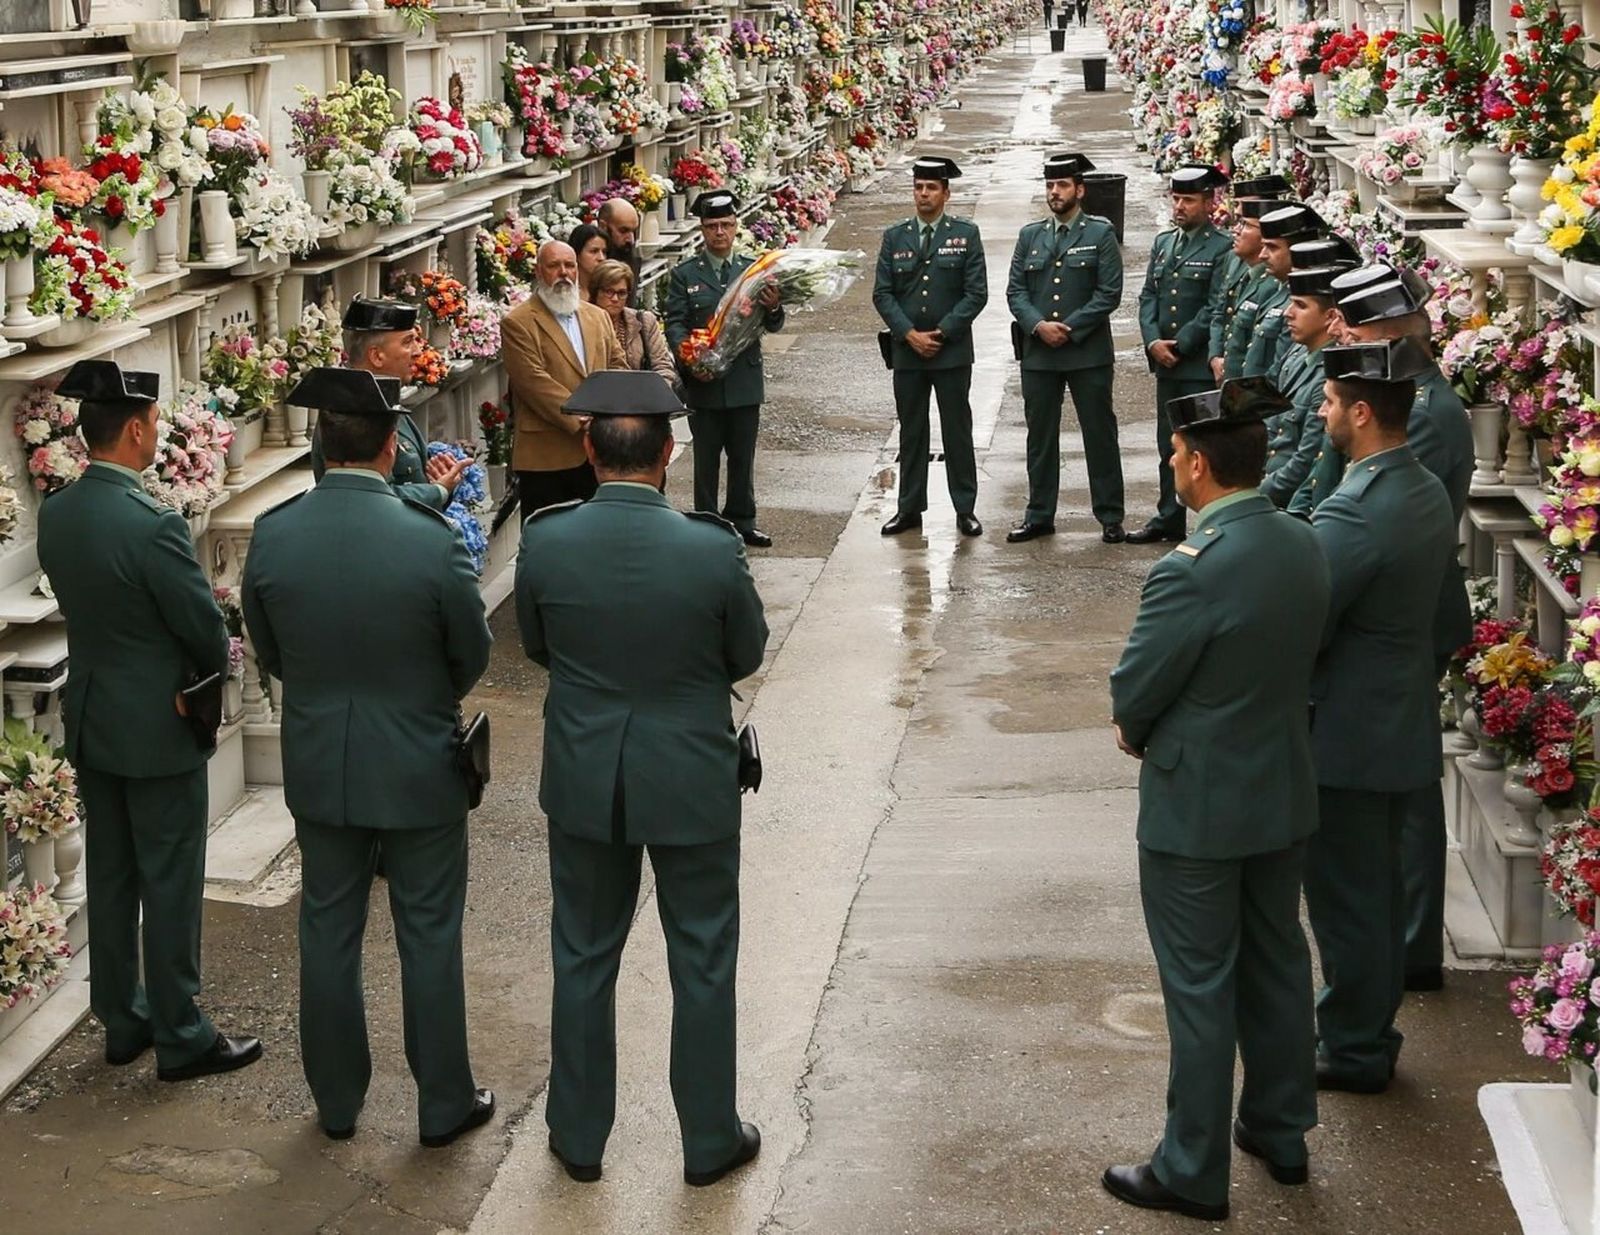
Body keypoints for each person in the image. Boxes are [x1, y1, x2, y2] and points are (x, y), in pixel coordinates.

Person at [515, 371, 770, 1186]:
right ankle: (708, 1138)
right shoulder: (712, 546)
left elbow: (536, 644)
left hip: (587, 768)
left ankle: (578, 1134)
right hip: (691, 769)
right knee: (702, 956)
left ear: (590, 454)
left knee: (583, 953)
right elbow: (745, 652)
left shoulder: (547, 539)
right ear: (667, 455)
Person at [242, 367, 495, 1147]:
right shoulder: (430, 538)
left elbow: (270, 650)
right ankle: (443, 1100)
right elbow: (470, 652)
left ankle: (337, 1101)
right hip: (419, 759)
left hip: (322, 758)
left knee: (327, 929)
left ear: (323, 444)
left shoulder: (275, 533)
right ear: (392, 447)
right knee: (428, 932)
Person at [1105, 376, 1329, 1221]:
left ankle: (1192, 1168)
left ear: (1198, 465)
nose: (1171, 465)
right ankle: (1281, 1127)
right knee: (1278, 963)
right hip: (1281, 789)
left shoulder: (1190, 570)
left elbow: (1137, 689)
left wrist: (1135, 728)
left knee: (1200, 986)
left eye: (1174, 453)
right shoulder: (1303, 541)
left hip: (1197, 806)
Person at [37, 360, 260, 1082]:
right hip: (158, 724)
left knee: (110, 872)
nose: (159, 433)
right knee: (168, 878)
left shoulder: (58, 511)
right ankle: (182, 1032)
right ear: (134, 430)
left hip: (94, 716)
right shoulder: (152, 524)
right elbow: (203, 631)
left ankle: (122, 1019)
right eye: (156, 423)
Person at [1304, 337, 1459, 1095]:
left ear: (1361, 413)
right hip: (1397, 721)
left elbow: (1307, 616)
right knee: (1379, 893)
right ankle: (1370, 1032)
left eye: (1331, 401)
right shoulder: (1420, 485)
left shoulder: (1357, 508)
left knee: (1348, 903)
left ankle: (1355, 1047)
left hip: (1348, 734)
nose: (1321, 411)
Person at [1324, 269, 1474, 992]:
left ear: (1392, 335)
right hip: (1402, 606)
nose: (1344, 333)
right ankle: (1404, 939)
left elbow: (1402, 529)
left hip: (1404, 613)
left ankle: (1415, 944)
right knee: (1401, 790)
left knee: (1407, 797)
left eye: (1358, 328)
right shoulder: (1412, 399)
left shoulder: (1427, 414)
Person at [1004, 151, 1124, 543]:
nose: (1055, 192)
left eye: (1062, 185)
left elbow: (1109, 293)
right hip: (1039, 354)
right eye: (1050, 185)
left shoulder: (1100, 234)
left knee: (1099, 435)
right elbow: (1016, 291)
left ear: (1080, 190)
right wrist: (1038, 326)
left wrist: (1069, 329)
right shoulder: (1030, 235)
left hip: (1087, 353)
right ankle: (1039, 514)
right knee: (1040, 438)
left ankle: (1110, 515)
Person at [873, 155, 988, 539]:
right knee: (912, 432)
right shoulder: (896, 236)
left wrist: (942, 332)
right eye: (919, 187)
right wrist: (909, 335)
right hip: (908, 352)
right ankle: (909, 508)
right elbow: (883, 294)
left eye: (932, 188)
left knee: (957, 430)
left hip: (950, 351)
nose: (924, 194)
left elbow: (976, 293)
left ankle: (965, 508)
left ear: (946, 194)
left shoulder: (965, 235)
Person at [664, 190, 786, 548]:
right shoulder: (685, 274)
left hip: (743, 379)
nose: (720, 232)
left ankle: (743, 520)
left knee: (742, 457)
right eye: (713, 226)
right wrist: (690, 359)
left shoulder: (753, 271)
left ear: (736, 226)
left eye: (727, 225)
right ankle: (707, 523)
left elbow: (774, 323)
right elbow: (675, 324)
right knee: (706, 459)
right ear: (702, 229)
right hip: (704, 383)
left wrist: (774, 307)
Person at [1131, 163, 1232, 544]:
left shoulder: (1221, 247)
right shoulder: (1164, 243)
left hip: (1195, 364)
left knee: (1204, 446)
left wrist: (1182, 343)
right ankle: (1168, 517)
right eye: (1176, 199)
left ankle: (1210, 520)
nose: (1179, 206)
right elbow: (1149, 296)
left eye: (1188, 200)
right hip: (1166, 364)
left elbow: (1216, 304)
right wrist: (1152, 340)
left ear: (1208, 202)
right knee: (1168, 445)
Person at [502, 239, 627, 518]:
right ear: (538, 271)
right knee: (548, 537)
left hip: (598, 454)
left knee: (597, 533)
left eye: (569, 265)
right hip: (546, 458)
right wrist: (585, 419)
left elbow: (617, 366)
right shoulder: (518, 322)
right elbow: (534, 383)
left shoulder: (598, 316)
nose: (563, 273)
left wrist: (610, 415)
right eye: (554, 266)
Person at [311, 297, 467, 508]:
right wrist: (437, 491)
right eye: (407, 342)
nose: (418, 351)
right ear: (376, 356)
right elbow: (369, 499)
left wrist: (438, 482)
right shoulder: (350, 414)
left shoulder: (381, 401)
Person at [1260, 263, 1341, 508]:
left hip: (1288, 500)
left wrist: (1255, 494)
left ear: (1330, 317)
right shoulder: (1298, 352)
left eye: (1301, 306)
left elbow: (1306, 459)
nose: (1288, 313)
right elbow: (1270, 421)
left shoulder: (1328, 375)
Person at [1208, 175, 1290, 382]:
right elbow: (1221, 309)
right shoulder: (1234, 259)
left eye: (1245, 223)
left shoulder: (1273, 285)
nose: (1235, 229)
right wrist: (1215, 355)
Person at [1239, 204, 1325, 383]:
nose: (1262, 255)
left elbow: (1280, 376)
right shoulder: (1276, 289)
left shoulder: (1301, 302)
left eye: (1272, 247)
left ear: (1297, 250)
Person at [590, 258, 680, 397]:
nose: (615, 299)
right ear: (596, 292)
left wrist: (653, 396)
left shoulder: (644, 321)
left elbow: (663, 366)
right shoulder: (583, 323)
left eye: (621, 293)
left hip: (643, 399)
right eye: (609, 291)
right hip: (596, 399)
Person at [597, 198, 642, 303]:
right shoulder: (588, 260)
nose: (630, 239)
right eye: (623, 231)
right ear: (603, 226)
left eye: (634, 231)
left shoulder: (632, 259)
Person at [568, 223, 610, 290]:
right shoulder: (565, 289)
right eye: (594, 251)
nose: (601, 258)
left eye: (604, 252)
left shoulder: (609, 288)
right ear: (577, 253)